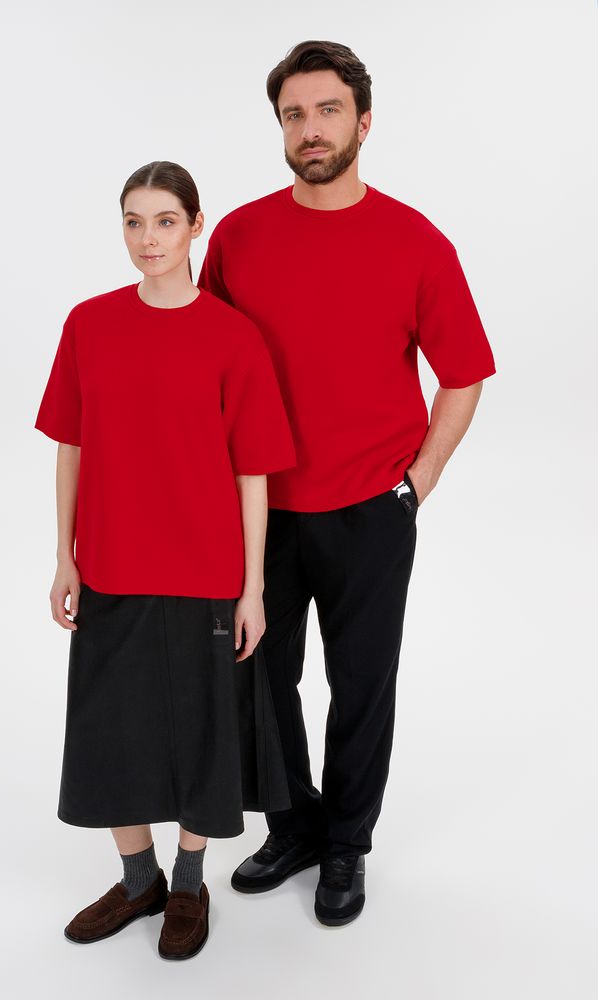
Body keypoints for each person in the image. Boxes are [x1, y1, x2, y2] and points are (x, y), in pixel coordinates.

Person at [198, 39, 497, 927]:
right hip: (262, 506)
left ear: (364, 122)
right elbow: (205, 362)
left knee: (363, 685)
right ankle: (292, 826)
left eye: (328, 110)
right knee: (262, 678)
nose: (311, 129)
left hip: (372, 506)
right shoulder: (240, 236)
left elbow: (464, 374)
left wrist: (418, 482)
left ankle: (346, 843)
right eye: (294, 114)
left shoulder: (416, 241)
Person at [34, 161, 296, 959]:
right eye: (133, 221)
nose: (148, 239)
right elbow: (71, 446)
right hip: (111, 564)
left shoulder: (232, 335)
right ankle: (137, 878)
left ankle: (188, 884)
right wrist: (64, 556)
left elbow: (253, 471)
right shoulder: (89, 324)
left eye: (165, 221)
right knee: (112, 730)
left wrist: (252, 587)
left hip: (204, 571)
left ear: (195, 225)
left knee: (200, 734)